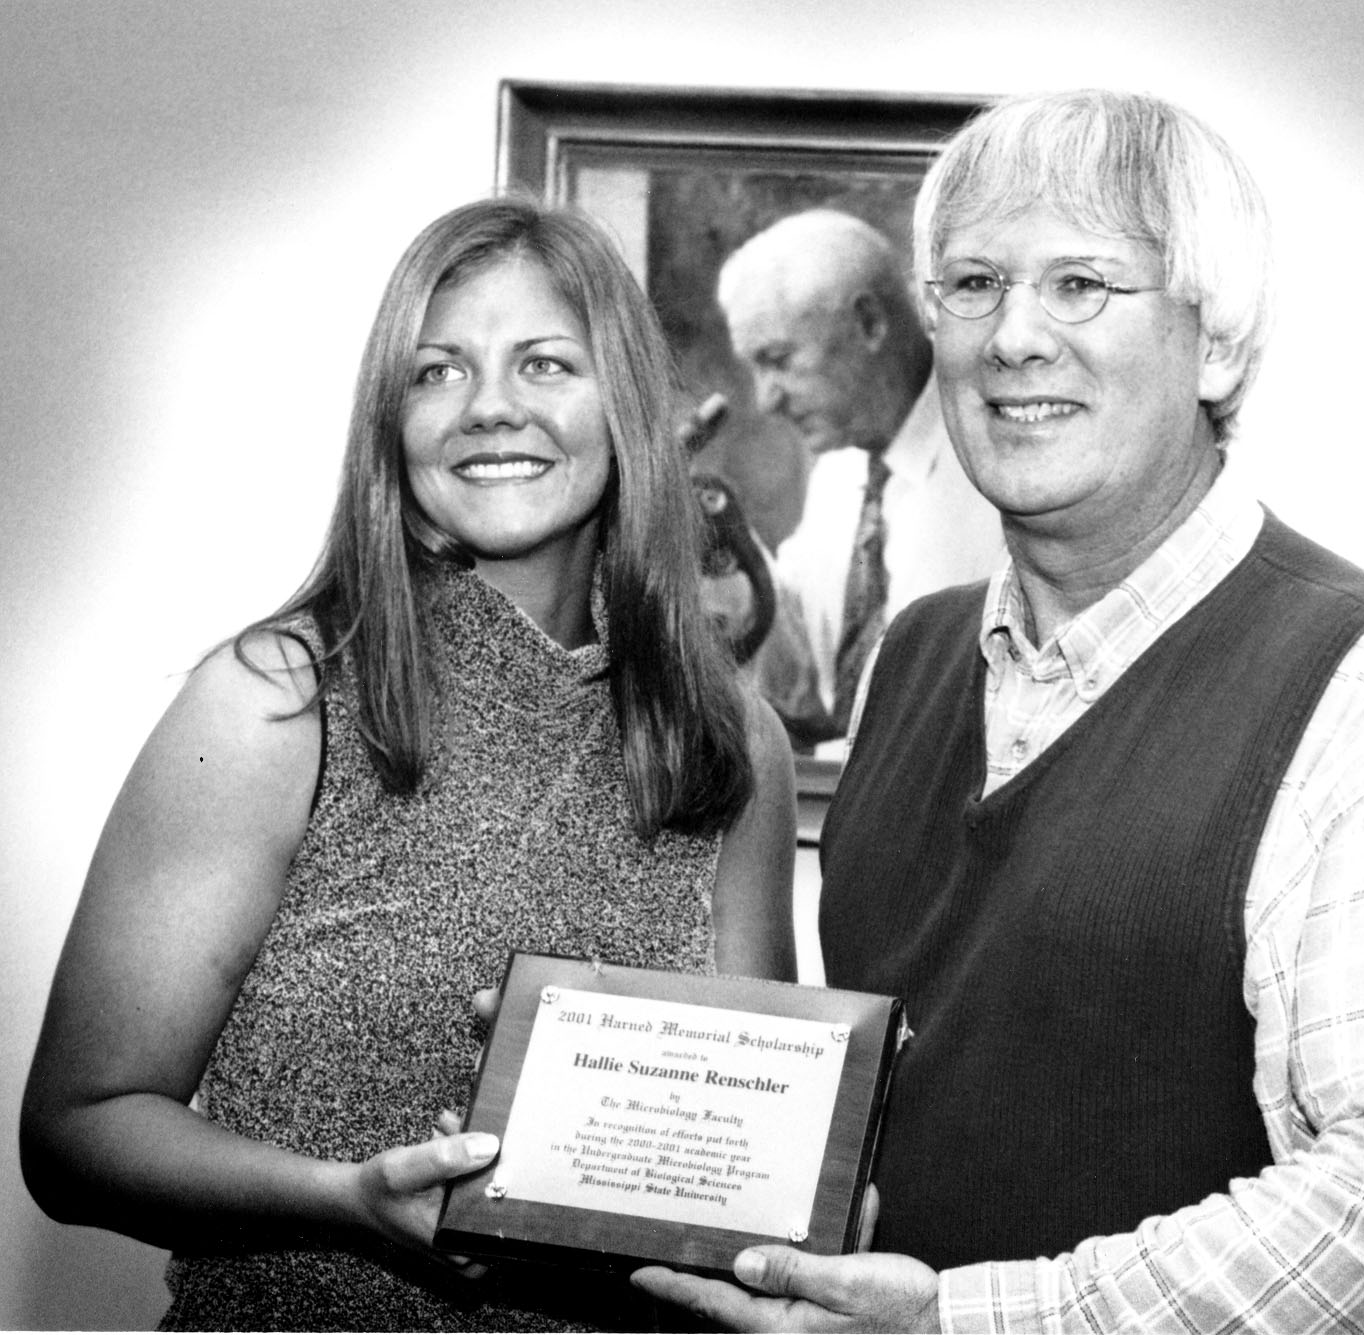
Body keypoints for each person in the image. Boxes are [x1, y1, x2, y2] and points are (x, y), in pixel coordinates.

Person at [631, 90, 1364, 1333]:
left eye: (1080, 285)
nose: (1011, 337)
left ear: (1218, 344)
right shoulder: (913, 657)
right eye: (970, 283)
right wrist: (601, 1083)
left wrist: (965, 1324)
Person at [20, 195, 797, 1332]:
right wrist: (344, 1200)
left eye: (543, 363)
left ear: (626, 402)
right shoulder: (279, 701)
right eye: (435, 372)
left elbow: (750, 1164)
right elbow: (79, 1131)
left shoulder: (729, 737)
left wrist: (812, 1175)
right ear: (390, 421)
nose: (488, 408)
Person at [716, 209, 1003, 743]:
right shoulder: (839, 469)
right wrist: (729, 566)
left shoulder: (999, 466)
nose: (765, 399)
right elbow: (802, 684)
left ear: (869, 323)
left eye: (778, 359)